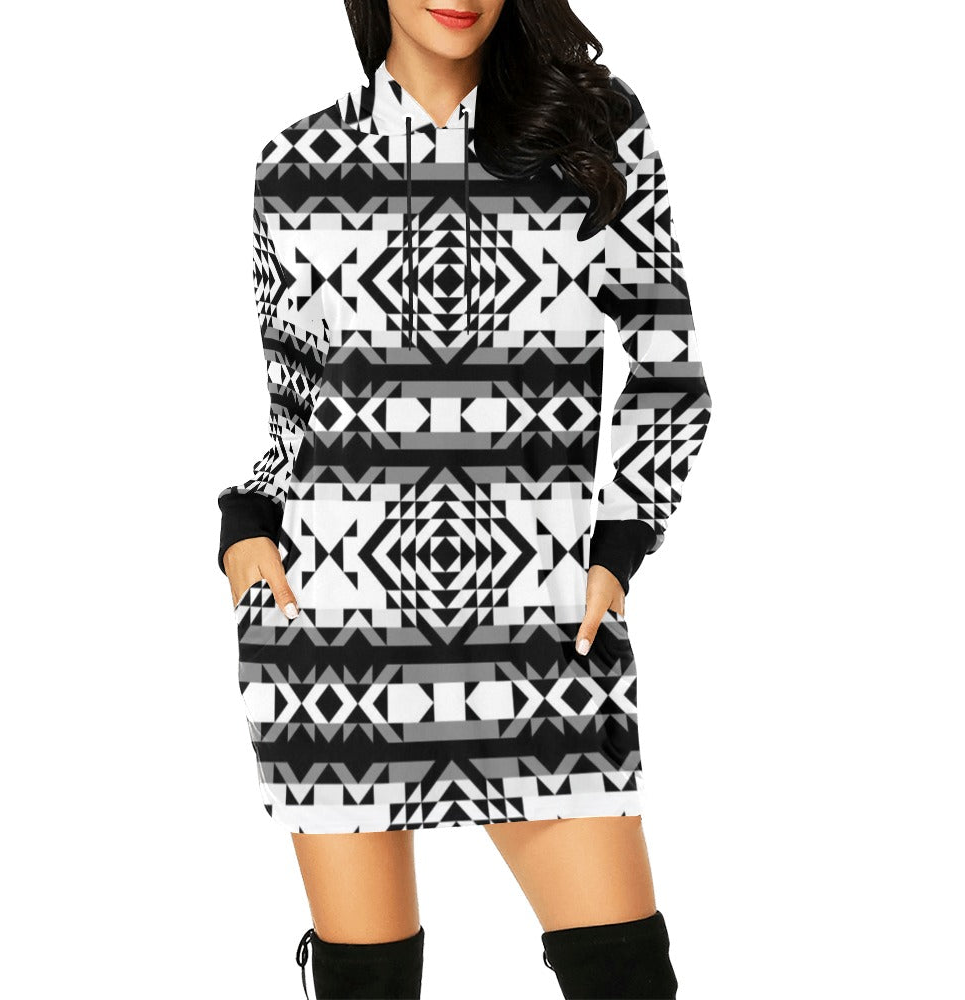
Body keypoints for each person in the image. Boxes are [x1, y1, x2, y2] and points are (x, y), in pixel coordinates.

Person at [217, 1, 712, 996]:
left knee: (623, 977)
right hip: (333, 646)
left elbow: (668, 371)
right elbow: (294, 415)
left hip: (540, 639)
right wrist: (245, 528)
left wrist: (620, 539)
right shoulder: (296, 167)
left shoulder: (594, 137)